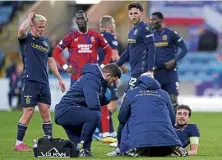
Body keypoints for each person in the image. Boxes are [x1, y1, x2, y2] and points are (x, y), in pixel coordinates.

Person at [14, 12, 65, 152]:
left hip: (44, 82)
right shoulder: (26, 38)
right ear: (32, 25)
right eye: (39, 27)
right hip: (30, 80)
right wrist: (29, 18)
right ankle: (19, 143)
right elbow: (20, 30)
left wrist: (60, 79)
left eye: (43, 27)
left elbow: (50, 61)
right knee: (29, 112)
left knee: (46, 112)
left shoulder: (46, 41)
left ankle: (48, 142)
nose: (42, 29)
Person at [107, 75, 187, 157]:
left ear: (139, 83)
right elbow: (172, 118)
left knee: (123, 123)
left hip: (139, 142)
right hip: (165, 140)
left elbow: (122, 117)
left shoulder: (131, 93)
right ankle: (175, 146)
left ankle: (120, 149)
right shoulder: (164, 94)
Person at [54, 63, 122, 157]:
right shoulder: (92, 79)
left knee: (75, 152)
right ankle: (84, 149)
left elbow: (97, 101)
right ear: (108, 75)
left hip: (70, 111)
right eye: (113, 80)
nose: (112, 83)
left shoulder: (98, 80)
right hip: (66, 110)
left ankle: (81, 150)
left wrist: (104, 94)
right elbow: (92, 104)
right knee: (95, 115)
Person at [53, 10, 112, 86]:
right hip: (76, 79)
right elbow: (55, 52)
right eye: (78, 19)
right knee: (75, 98)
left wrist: (102, 66)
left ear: (86, 19)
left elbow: (109, 51)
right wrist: (65, 67)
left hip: (92, 78)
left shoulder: (96, 35)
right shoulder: (70, 37)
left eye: (82, 18)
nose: (80, 21)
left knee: (92, 98)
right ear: (76, 21)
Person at [94, 15, 128, 143]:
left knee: (104, 104)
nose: (114, 26)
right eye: (113, 24)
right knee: (112, 105)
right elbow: (114, 56)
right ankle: (101, 129)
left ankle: (103, 129)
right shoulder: (110, 37)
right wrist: (121, 69)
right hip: (108, 73)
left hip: (98, 73)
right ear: (109, 26)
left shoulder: (95, 37)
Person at [150, 12, 188, 109]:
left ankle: (175, 123)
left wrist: (174, 61)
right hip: (156, 73)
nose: (152, 21)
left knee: (173, 100)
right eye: (151, 19)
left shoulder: (171, 33)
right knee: (158, 102)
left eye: (154, 19)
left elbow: (184, 49)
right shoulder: (150, 36)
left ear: (161, 20)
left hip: (170, 72)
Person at [116, 2, 156, 91]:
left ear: (141, 13)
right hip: (134, 69)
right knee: (136, 99)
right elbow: (127, 52)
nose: (133, 16)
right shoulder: (131, 31)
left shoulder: (145, 28)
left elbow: (152, 49)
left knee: (128, 96)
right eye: (131, 13)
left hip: (142, 70)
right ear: (128, 15)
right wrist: (116, 65)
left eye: (136, 13)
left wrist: (150, 70)